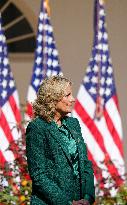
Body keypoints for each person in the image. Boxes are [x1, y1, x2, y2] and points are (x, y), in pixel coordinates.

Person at [26, 75, 95, 205]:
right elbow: (38, 175)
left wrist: (88, 197)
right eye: (67, 95)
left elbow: (85, 164)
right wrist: (67, 203)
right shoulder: (37, 127)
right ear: (53, 98)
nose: (73, 99)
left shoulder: (73, 124)